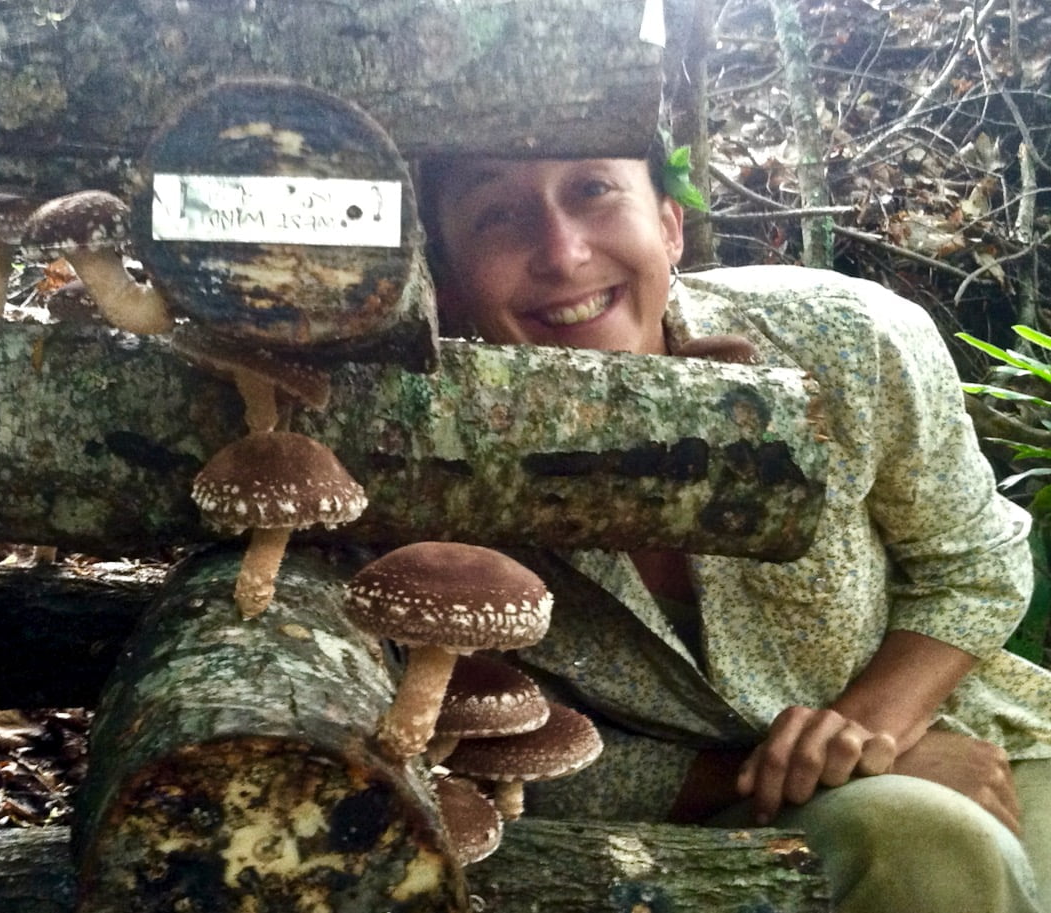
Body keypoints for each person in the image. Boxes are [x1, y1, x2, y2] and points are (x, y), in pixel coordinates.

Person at [417, 142, 1051, 913]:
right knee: (917, 839)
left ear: (671, 226)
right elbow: (468, 749)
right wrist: (848, 771)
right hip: (694, 817)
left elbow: (973, 562)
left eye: (592, 190)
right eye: (498, 216)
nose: (562, 250)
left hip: (963, 736)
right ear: (446, 283)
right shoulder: (412, 463)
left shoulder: (847, 340)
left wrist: (872, 730)